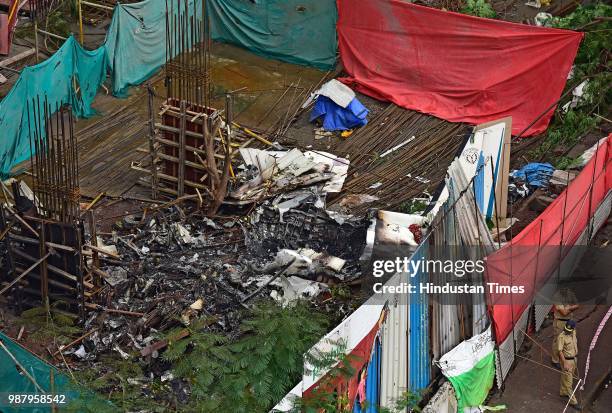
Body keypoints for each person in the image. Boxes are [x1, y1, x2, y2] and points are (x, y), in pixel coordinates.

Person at [551, 293, 579, 369]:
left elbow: (578, 305)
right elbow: (564, 313)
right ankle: (555, 360)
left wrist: (568, 308)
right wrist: (572, 307)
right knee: (558, 341)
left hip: (570, 321)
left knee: (571, 338)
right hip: (560, 322)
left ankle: (570, 354)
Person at [558, 320, 581, 411]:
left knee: (566, 377)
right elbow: (560, 351)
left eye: (570, 330)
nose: (568, 331)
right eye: (567, 329)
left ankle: (563, 391)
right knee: (569, 382)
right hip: (567, 361)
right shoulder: (561, 336)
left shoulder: (574, 332)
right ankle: (573, 401)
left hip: (574, 359)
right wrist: (564, 363)